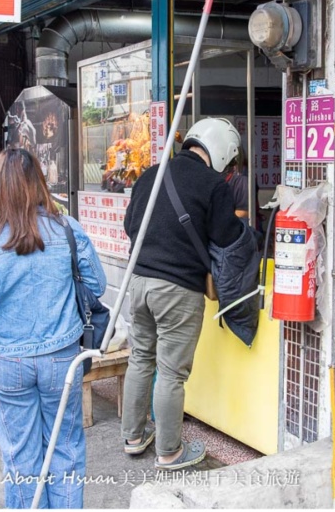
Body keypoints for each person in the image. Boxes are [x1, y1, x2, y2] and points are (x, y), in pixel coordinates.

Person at [0, 147, 105, 509]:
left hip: (8, 361)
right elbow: (98, 284)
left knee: (19, 455)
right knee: (66, 449)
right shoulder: (66, 228)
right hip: (62, 357)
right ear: (38, 182)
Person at [120, 118, 244, 470]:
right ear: (221, 151)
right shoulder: (213, 184)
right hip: (177, 289)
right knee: (171, 372)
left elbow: (131, 225)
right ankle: (170, 450)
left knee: (141, 358)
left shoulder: (150, 175)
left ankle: (133, 437)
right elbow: (227, 236)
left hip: (139, 281)